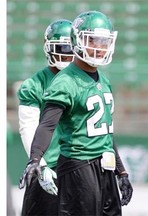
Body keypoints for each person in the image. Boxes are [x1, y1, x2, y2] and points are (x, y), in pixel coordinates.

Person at [19, 11, 133, 216]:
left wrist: (121, 171)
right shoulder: (65, 81)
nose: (99, 47)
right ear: (77, 41)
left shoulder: (103, 80)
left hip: (104, 166)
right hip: (79, 165)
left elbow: (106, 134)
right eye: (93, 40)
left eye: (103, 42)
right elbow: (46, 124)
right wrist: (36, 160)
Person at [17, 19, 74, 215]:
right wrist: (39, 165)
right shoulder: (34, 84)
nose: (66, 52)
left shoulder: (85, 80)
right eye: (62, 47)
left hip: (78, 167)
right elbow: (28, 126)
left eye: (70, 47)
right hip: (49, 165)